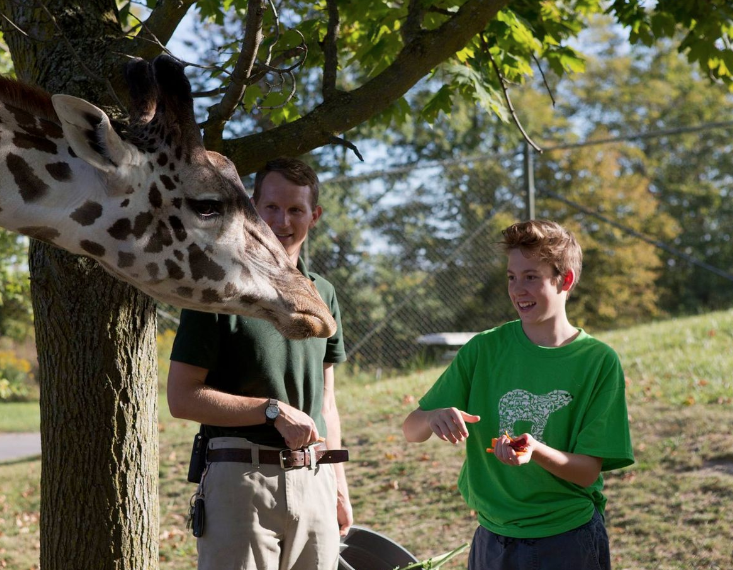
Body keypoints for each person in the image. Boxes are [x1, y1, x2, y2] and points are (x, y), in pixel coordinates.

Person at [402, 220, 633, 570]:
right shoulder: (484, 349)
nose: (518, 289)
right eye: (512, 277)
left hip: (566, 539)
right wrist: (432, 417)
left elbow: (587, 472)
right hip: (492, 538)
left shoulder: (597, 362)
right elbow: (410, 429)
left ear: (565, 280)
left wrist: (534, 450)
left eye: (531, 277)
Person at [167, 157, 352, 570]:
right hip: (241, 484)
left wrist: (339, 489)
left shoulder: (323, 293)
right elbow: (182, 398)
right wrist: (270, 411)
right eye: (270, 207)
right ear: (252, 207)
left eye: (295, 210)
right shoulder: (217, 285)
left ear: (314, 216)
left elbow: (327, 404)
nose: (282, 221)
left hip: (316, 483)